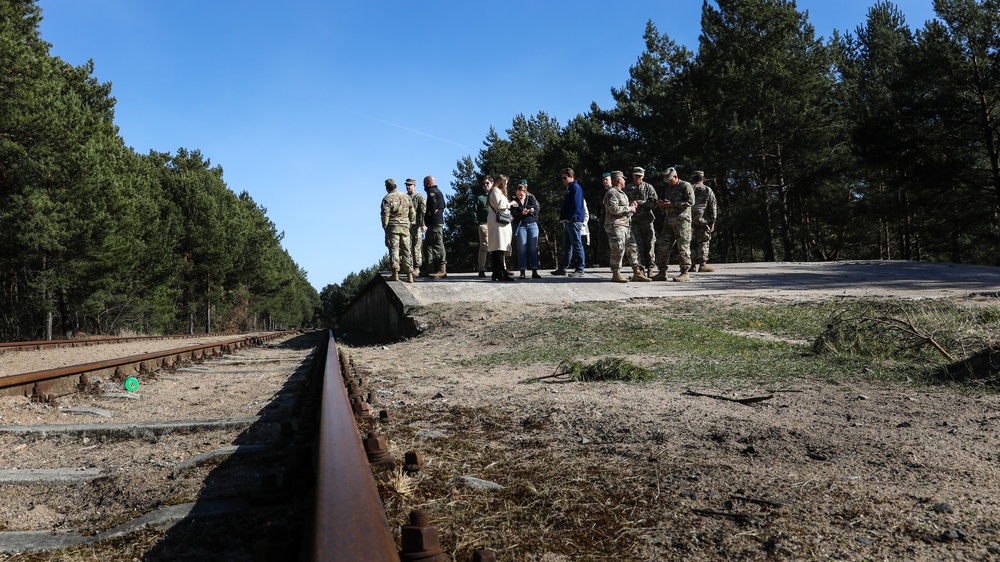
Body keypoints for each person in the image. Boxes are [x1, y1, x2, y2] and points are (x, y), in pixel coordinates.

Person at [653, 167, 694, 282]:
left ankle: (685, 272)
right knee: (663, 246)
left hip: (682, 222)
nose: (668, 182)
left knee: (683, 247)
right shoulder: (668, 189)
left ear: (675, 177)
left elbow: (690, 202)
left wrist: (673, 204)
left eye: (670, 180)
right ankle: (662, 272)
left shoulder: (685, 186)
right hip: (669, 221)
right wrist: (662, 205)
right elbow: (667, 206)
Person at [603, 171, 638, 283]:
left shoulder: (621, 193)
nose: (624, 180)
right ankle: (616, 273)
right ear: (618, 180)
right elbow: (613, 209)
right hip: (616, 225)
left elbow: (624, 210)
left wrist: (631, 207)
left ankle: (637, 271)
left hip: (625, 225)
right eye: (623, 178)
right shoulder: (612, 192)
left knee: (632, 247)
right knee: (618, 248)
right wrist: (629, 209)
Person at [551, 167, 587, 278]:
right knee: (567, 246)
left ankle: (580, 268)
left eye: (565, 178)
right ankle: (563, 268)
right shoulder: (569, 188)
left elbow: (576, 204)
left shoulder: (575, 187)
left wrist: (571, 218)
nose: (563, 180)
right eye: (562, 178)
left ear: (572, 177)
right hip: (568, 221)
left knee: (577, 245)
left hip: (573, 221)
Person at [623, 167, 656, 281]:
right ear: (632, 176)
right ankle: (639, 270)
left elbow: (654, 203)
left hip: (647, 220)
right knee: (637, 245)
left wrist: (641, 202)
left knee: (650, 244)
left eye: (640, 176)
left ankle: (650, 268)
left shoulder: (648, 187)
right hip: (634, 221)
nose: (637, 178)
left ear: (643, 176)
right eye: (636, 175)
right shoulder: (627, 188)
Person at [380, 178, 415, 282]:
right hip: (405, 227)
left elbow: (385, 216)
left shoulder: (387, 199)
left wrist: (385, 226)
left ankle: (395, 274)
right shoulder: (406, 197)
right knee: (407, 250)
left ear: (387, 188)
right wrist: (410, 222)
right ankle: (410, 275)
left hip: (393, 228)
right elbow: (412, 212)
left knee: (394, 250)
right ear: (396, 186)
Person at [509, 179, 540, 279]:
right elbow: (513, 216)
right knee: (522, 248)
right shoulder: (514, 201)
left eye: (521, 195)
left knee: (533, 248)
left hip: (532, 224)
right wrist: (521, 214)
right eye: (518, 194)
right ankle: (522, 271)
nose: (519, 196)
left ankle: (534, 270)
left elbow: (536, 210)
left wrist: (531, 210)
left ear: (525, 192)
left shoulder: (530, 198)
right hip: (521, 225)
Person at [487, 175, 515, 281]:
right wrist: (511, 204)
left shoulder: (495, 191)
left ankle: (497, 272)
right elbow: (500, 205)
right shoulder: (495, 191)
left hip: (497, 223)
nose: (506, 185)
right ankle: (501, 272)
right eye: (506, 183)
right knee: (499, 248)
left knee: (497, 249)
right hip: (498, 224)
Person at [690, 171, 718, 273]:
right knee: (703, 241)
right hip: (703, 219)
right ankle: (702, 264)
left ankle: (691, 265)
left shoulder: (688, 188)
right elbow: (712, 206)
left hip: (689, 219)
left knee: (690, 241)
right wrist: (713, 221)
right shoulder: (707, 190)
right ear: (703, 179)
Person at [422, 175, 447, 278]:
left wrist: (431, 212)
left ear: (429, 182)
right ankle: (429, 268)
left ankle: (442, 269)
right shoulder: (438, 191)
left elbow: (433, 203)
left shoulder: (432, 191)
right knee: (427, 245)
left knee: (437, 245)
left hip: (435, 223)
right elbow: (443, 205)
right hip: (433, 224)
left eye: (424, 183)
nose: (424, 185)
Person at [405, 178, 426, 275]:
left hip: (417, 225)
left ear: (414, 185)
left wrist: (423, 224)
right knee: (407, 247)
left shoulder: (419, 197)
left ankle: (417, 267)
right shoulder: (404, 197)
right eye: (407, 185)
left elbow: (423, 211)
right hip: (406, 225)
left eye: (410, 185)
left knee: (416, 247)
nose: (408, 187)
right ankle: (409, 266)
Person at [474, 176, 492, 277]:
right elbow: (474, 211)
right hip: (484, 224)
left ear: (492, 184)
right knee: (484, 246)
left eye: (487, 183)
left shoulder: (496, 195)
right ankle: (481, 268)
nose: (485, 185)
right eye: (483, 184)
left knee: (498, 246)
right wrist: (477, 222)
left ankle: (502, 267)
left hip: (496, 224)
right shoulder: (479, 197)